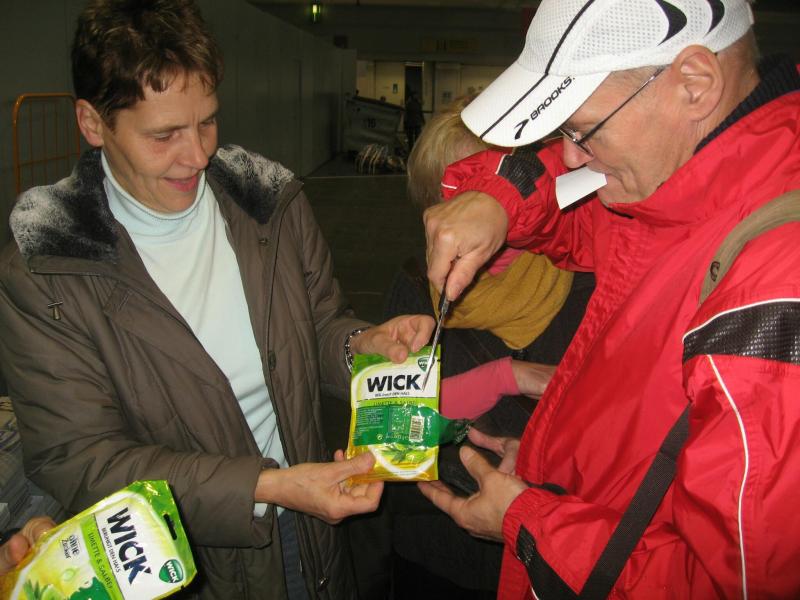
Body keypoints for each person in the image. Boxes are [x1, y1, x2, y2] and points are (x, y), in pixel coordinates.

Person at [0, 1, 433, 598]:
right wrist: (265, 487)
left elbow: (318, 325)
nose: (198, 155)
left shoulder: (270, 204)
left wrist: (363, 345)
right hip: (185, 555)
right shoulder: (47, 270)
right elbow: (81, 458)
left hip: (309, 522)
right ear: (93, 123)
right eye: (164, 135)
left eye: (207, 122)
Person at [420, 0, 800, 598]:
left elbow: (733, 584)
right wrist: (499, 198)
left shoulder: (774, 291)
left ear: (694, 84)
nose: (572, 155)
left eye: (583, 129)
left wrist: (530, 521)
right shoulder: (679, 183)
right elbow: (580, 213)